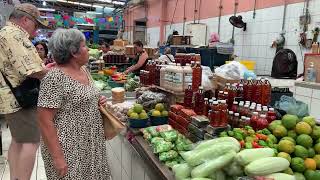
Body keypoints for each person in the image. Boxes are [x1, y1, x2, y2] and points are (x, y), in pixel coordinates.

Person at [37, 28, 111, 179]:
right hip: (67, 146)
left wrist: (97, 100)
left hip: (90, 141)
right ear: (74, 52)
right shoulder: (54, 78)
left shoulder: (84, 70)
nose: (88, 49)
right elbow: (44, 120)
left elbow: (80, 97)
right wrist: (57, 158)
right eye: (84, 46)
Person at [0, 3, 51, 180]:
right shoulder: (14, 35)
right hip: (20, 98)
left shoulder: (5, 33)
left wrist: (45, 67)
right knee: (30, 141)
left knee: (18, 141)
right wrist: (56, 71)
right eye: (36, 25)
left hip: (10, 97)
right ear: (25, 20)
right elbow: (31, 70)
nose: (36, 30)